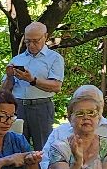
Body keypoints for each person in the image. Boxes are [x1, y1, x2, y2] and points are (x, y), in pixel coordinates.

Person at [6, 20, 65, 150]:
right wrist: (10, 76)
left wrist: (32, 80)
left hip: (41, 106)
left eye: (35, 41)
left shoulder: (54, 58)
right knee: (16, 145)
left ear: (45, 36)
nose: (31, 45)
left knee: (43, 147)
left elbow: (56, 86)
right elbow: (4, 90)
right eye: (27, 41)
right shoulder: (17, 59)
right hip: (18, 106)